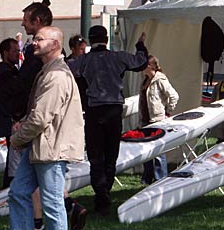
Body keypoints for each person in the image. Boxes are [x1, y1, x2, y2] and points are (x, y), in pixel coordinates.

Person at [16, 2, 87, 230]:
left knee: (52, 203)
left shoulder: (56, 76)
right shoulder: (47, 71)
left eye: (40, 40)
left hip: (51, 149)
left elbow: (40, 118)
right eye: (35, 39)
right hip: (39, 146)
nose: (34, 43)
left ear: (55, 45)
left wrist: (17, 139)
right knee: (18, 193)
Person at [69, 25, 148, 216]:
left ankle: (101, 193)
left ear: (90, 40)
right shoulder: (118, 57)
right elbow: (141, 62)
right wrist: (140, 45)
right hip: (114, 110)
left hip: (94, 111)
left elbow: (64, 69)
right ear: (106, 39)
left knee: (96, 156)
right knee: (111, 154)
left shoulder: (83, 61)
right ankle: (105, 191)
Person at [139, 55, 179, 185]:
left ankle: (160, 178)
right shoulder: (145, 80)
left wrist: (167, 111)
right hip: (145, 121)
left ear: (149, 66)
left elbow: (173, 96)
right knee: (146, 151)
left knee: (158, 151)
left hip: (157, 120)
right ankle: (147, 177)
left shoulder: (160, 80)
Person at [0, 38, 23, 188]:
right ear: (5, 53)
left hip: (6, 118)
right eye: (15, 51)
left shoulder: (10, 71)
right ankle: (9, 187)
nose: (18, 53)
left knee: (13, 156)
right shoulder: (6, 73)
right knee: (12, 156)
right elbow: (15, 92)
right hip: (7, 120)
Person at [65, 34, 88, 110]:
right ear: (73, 49)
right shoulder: (66, 64)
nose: (84, 52)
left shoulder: (88, 63)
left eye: (85, 49)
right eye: (81, 49)